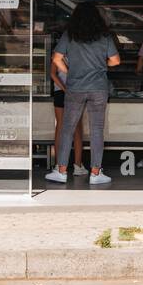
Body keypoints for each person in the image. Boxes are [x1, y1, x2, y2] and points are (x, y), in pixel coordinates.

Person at [47, 2, 119, 185]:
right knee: (96, 130)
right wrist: (101, 66)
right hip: (98, 88)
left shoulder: (69, 35)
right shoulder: (105, 36)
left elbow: (56, 58)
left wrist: (69, 71)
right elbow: (116, 61)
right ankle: (96, 173)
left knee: (67, 129)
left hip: (75, 88)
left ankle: (61, 171)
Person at [50, 30, 87, 176]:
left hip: (61, 91)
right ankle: (77, 165)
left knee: (60, 127)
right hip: (75, 91)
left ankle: (59, 166)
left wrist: (64, 89)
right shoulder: (81, 52)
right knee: (77, 128)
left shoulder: (59, 51)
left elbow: (53, 73)